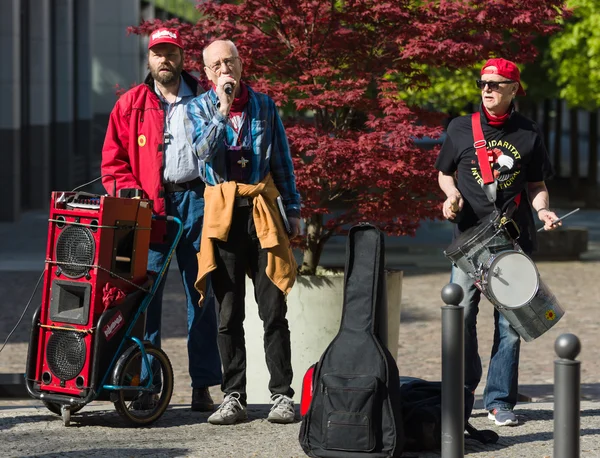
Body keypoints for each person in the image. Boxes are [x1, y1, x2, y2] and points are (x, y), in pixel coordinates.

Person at [101, 27, 222, 412]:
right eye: (157, 53)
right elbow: (112, 161)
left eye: (170, 52)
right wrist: (130, 194)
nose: (164, 59)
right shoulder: (131, 104)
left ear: (182, 56)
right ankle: (145, 382)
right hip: (149, 210)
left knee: (200, 295)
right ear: (149, 59)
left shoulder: (204, 99)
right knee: (144, 297)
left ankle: (202, 385)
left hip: (197, 202)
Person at [435, 58, 560, 427]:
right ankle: (462, 391)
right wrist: (450, 196)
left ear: (513, 90)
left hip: (513, 240)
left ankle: (499, 401)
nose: (487, 89)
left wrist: (544, 212)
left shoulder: (529, 133)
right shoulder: (460, 128)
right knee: (461, 317)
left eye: (495, 83)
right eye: (482, 83)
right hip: (469, 242)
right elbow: (444, 174)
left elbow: (537, 185)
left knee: (510, 325)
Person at [186, 39, 302, 425]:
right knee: (227, 312)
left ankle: (282, 396)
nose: (224, 70)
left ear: (240, 63)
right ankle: (233, 395)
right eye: (215, 65)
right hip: (223, 217)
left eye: (229, 62)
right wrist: (221, 109)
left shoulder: (265, 106)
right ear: (206, 73)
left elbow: (282, 160)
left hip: (262, 212)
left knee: (273, 310)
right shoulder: (197, 107)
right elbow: (202, 153)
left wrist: (295, 210)